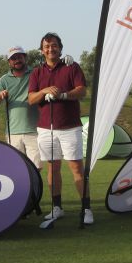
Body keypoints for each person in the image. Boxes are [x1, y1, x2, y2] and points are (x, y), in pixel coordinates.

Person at [28, 32, 93, 225]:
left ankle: (86, 209)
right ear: (42, 50)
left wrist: (62, 95)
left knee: (76, 168)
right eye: (47, 46)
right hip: (46, 129)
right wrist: (44, 91)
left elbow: (82, 90)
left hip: (69, 127)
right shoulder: (37, 72)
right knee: (53, 168)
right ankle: (57, 208)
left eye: (54, 45)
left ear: (60, 48)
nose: (51, 49)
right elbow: (31, 98)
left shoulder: (71, 67)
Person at [0, 46, 42, 171]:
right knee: (16, 167)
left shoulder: (36, 74)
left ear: (25, 58)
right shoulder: (4, 79)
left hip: (34, 130)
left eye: (19, 57)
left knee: (36, 167)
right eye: (13, 58)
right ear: (9, 62)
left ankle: (34, 185)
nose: (17, 60)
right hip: (13, 132)